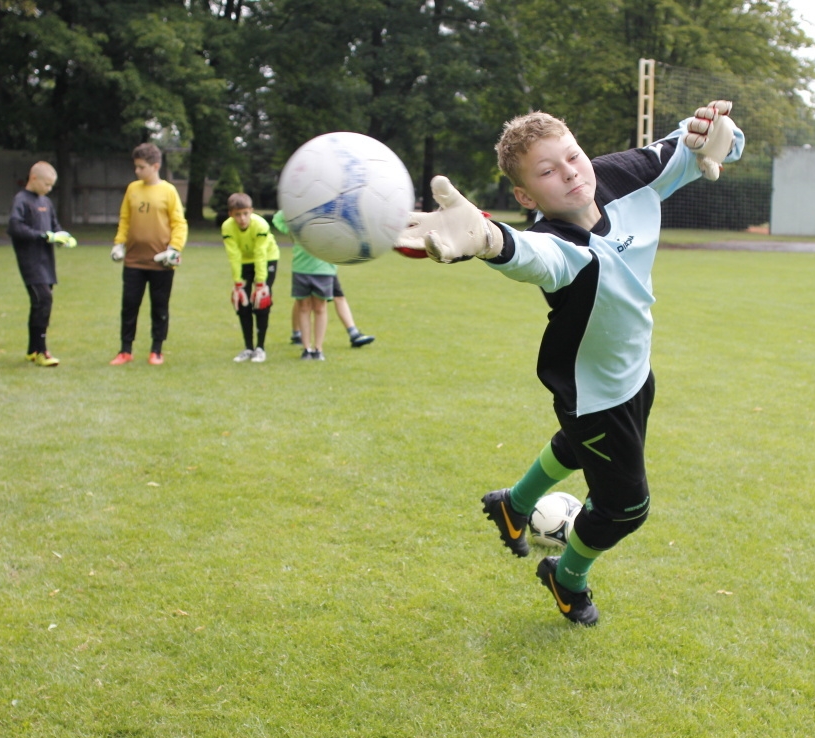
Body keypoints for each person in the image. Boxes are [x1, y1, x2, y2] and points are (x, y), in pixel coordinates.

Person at [397, 103, 743, 625]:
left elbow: (696, 147)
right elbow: (527, 253)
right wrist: (488, 238)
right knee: (626, 509)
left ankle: (514, 505)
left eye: (572, 156)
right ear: (525, 196)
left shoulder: (623, 173)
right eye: (546, 172)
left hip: (634, 367)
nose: (570, 173)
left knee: (583, 451)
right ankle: (567, 577)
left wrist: (721, 136)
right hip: (594, 392)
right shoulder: (559, 243)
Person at [109, 142, 187, 366]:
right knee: (129, 305)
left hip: (161, 263)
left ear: (155, 166)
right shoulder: (132, 189)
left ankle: (156, 350)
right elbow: (125, 219)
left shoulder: (169, 191)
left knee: (159, 306)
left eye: (141, 167)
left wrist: (174, 249)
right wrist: (119, 244)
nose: (137, 171)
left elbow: (179, 223)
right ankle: (125, 350)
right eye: (136, 166)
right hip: (134, 260)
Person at [6, 161, 76, 367]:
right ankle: (42, 351)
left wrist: (62, 237)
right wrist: (44, 236)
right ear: (33, 178)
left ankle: (31, 349)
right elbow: (15, 227)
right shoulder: (21, 200)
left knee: (40, 304)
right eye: (46, 184)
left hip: (47, 262)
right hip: (30, 262)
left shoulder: (46, 201)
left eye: (52, 185)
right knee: (43, 301)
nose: (49, 189)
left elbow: (54, 226)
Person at [221, 192, 279, 362]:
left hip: (267, 258)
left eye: (245, 213)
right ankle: (248, 347)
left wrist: (261, 284)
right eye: (237, 214)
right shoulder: (227, 227)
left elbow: (260, 253)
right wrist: (237, 282)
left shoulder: (260, 225)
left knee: (261, 301)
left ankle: (260, 348)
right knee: (242, 302)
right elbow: (234, 255)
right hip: (245, 261)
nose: (242, 219)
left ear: (251, 211)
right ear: (231, 214)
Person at [271, 210, 335, 360]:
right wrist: (295, 203)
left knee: (320, 307)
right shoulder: (299, 217)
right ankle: (306, 349)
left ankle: (318, 349)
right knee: (304, 307)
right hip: (301, 268)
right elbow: (278, 219)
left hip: (324, 268)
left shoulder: (331, 214)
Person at [288, 276, 376, 348]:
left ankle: (354, 333)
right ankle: (297, 334)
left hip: (326, 266)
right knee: (303, 302)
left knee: (338, 296)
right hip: (310, 265)